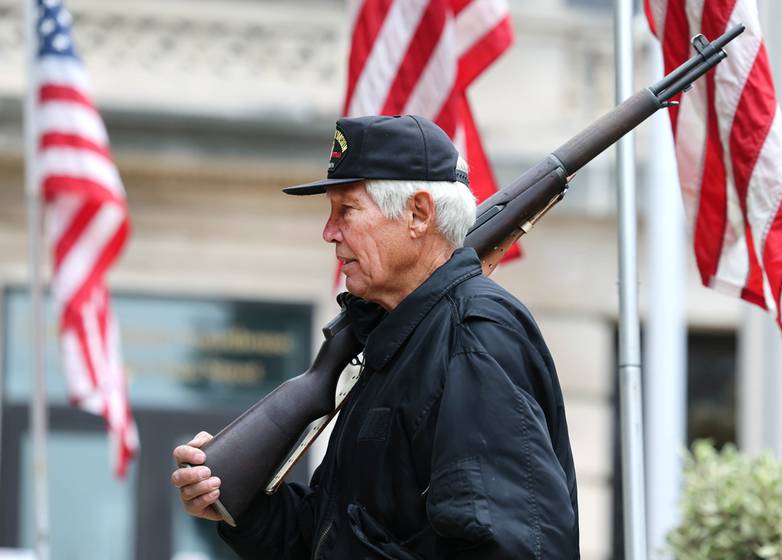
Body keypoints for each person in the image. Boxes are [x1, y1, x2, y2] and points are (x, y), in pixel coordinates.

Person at [171, 114, 580, 558]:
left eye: (346, 210)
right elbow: (329, 538)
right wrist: (240, 505)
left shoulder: (473, 332)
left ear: (418, 214)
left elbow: (509, 545)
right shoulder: (393, 338)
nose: (329, 233)